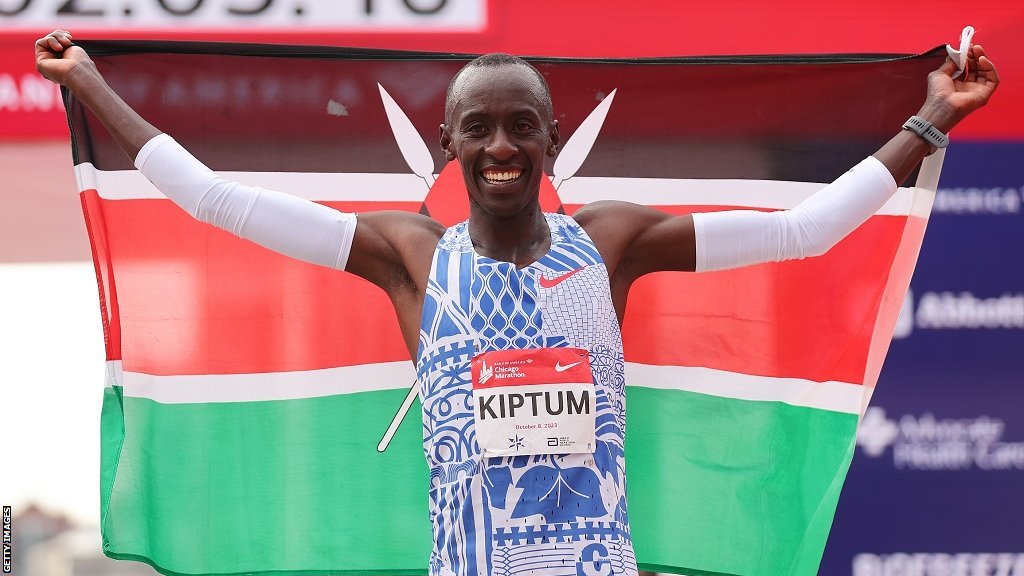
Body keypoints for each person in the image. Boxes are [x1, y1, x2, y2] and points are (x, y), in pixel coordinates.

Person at [36, 30, 998, 576]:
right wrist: (90, 86)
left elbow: (806, 231)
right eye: (480, 128)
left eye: (521, 126)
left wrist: (931, 118)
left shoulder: (610, 243)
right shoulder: (407, 256)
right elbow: (218, 201)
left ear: (549, 139)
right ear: (450, 143)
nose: (502, 145)